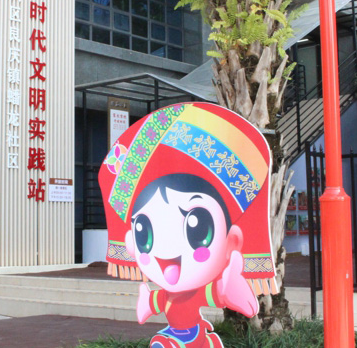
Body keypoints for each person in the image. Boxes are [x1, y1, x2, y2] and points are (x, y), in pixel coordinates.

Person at [99, 102, 277, 348]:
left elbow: (216, 294)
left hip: (193, 335)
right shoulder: (169, 295)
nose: (166, 248)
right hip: (174, 337)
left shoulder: (195, 293)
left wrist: (230, 289)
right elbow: (158, 301)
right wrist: (147, 303)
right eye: (143, 232)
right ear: (131, 243)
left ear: (231, 241)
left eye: (197, 228)